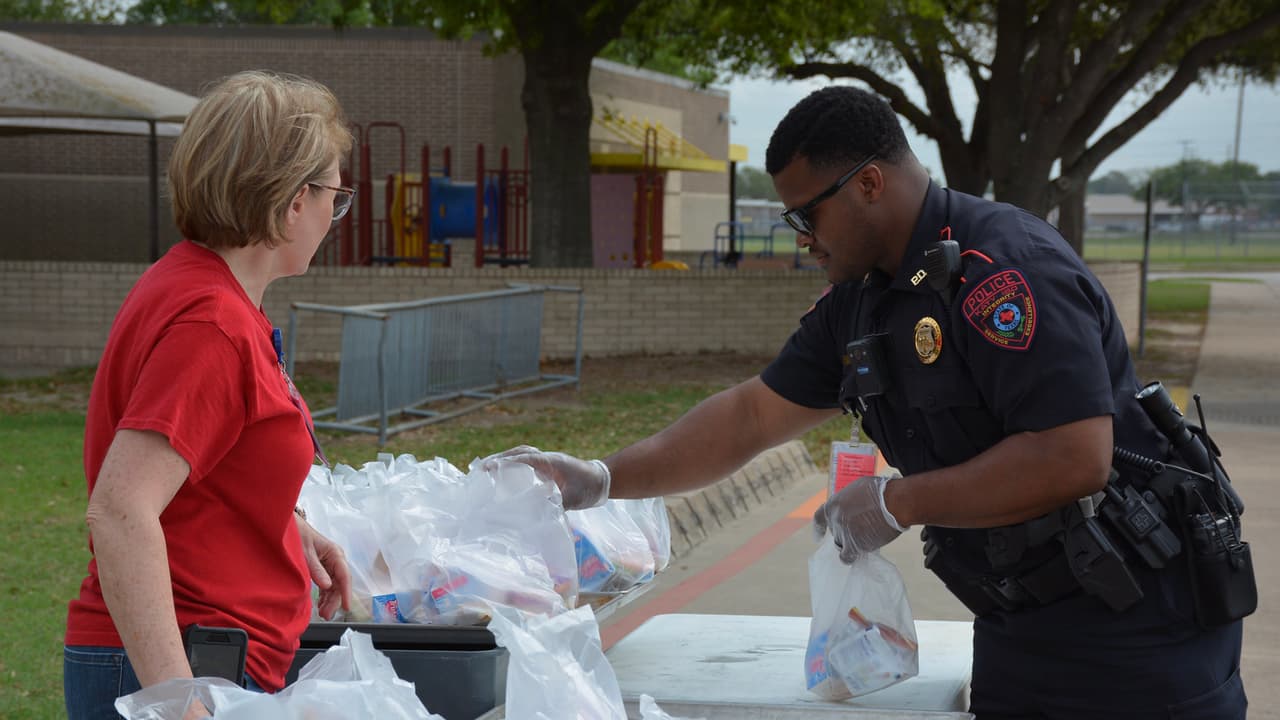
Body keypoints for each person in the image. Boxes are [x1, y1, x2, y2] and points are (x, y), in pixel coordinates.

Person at [495, 86, 1247, 718]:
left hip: (1139, 635)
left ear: (868, 184)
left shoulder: (1002, 271)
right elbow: (752, 416)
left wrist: (899, 501)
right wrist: (601, 477)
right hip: (1024, 625)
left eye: (805, 216)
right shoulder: (863, 300)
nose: (800, 239)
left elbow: (1073, 457)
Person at [63, 71, 354, 719]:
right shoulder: (211, 323)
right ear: (291, 203)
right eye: (334, 197)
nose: (334, 218)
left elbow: (205, 463)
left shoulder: (204, 292)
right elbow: (120, 512)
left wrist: (287, 527)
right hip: (182, 666)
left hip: (196, 657)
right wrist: (178, 701)